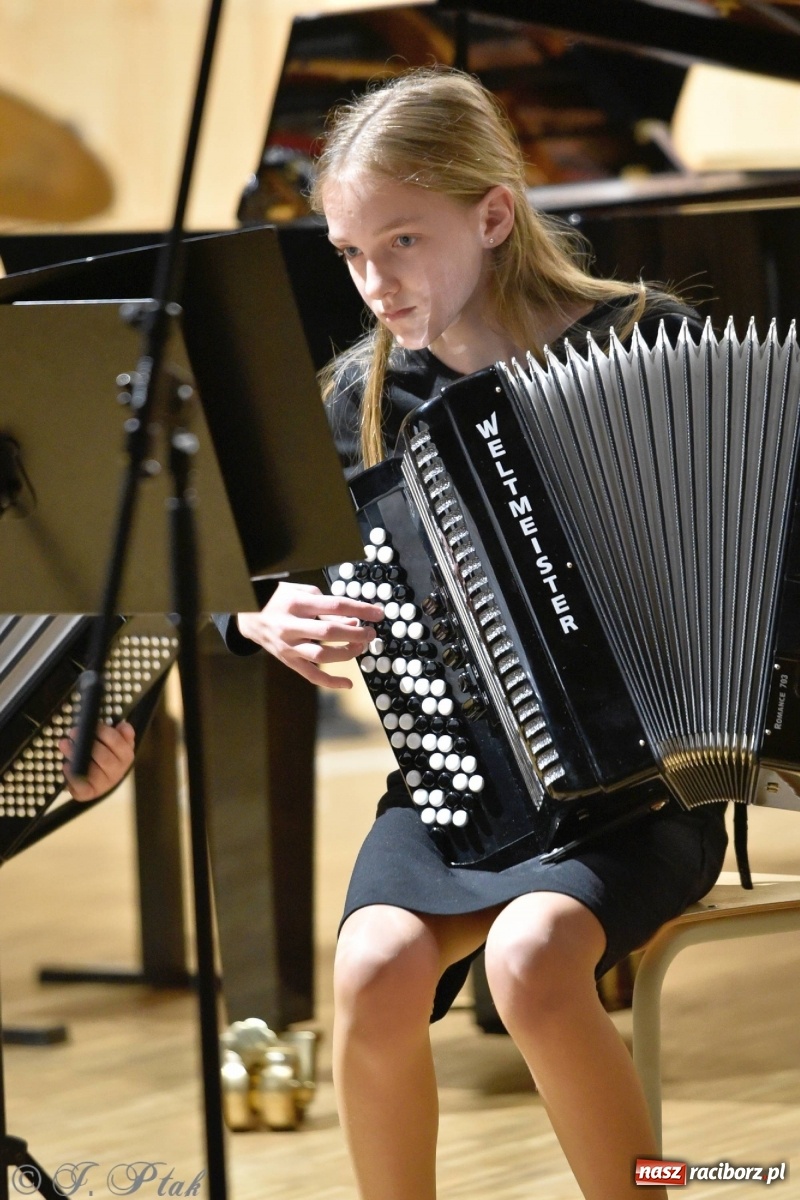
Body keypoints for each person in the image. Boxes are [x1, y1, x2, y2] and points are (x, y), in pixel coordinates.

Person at [225, 68, 728, 1200]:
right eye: (351, 253)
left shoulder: (649, 343)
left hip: (649, 791)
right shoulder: (360, 398)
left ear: (493, 214)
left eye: (401, 241)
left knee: (534, 959)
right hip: (461, 786)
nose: (373, 283)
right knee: (371, 967)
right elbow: (242, 570)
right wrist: (270, 615)